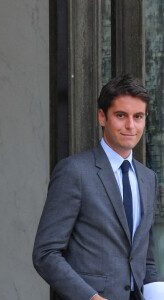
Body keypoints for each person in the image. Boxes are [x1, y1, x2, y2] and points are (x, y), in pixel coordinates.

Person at [33, 74, 162, 300]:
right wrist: (91, 298)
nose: (131, 125)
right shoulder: (74, 171)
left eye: (138, 116)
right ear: (102, 117)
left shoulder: (148, 178)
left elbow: (146, 261)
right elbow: (46, 254)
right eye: (121, 115)